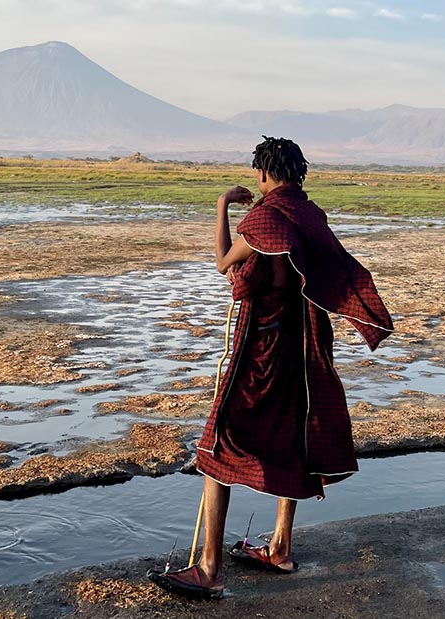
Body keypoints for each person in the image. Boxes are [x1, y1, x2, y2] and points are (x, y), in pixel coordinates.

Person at [150, 136, 393, 598]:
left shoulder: (263, 218)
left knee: (217, 445)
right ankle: (279, 547)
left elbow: (224, 264)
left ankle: (209, 568)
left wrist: (222, 204)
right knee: (293, 432)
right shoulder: (310, 216)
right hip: (300, 345)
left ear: (263, 174)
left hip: (258, 347)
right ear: (297, 173)